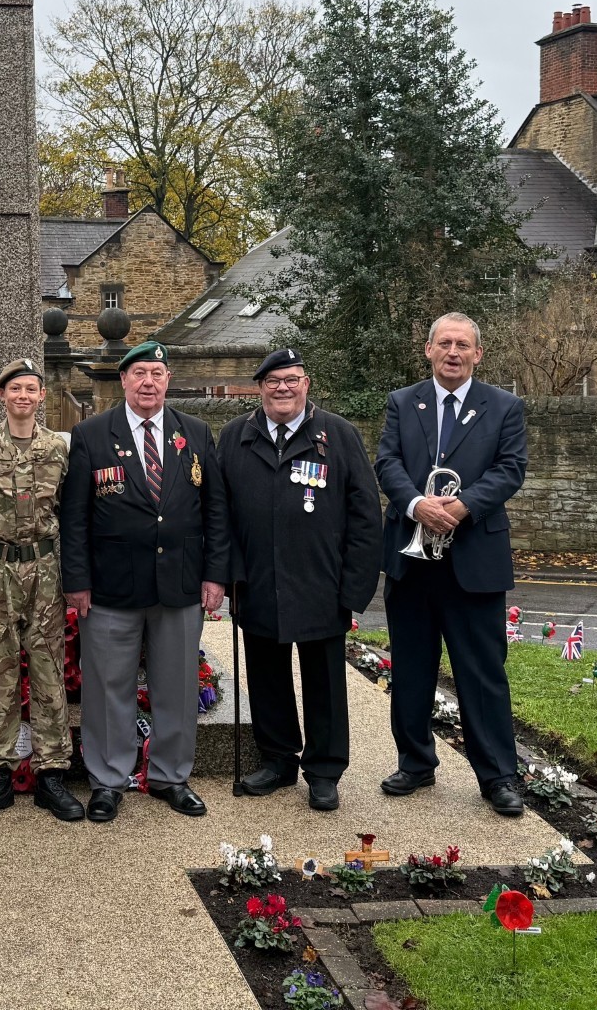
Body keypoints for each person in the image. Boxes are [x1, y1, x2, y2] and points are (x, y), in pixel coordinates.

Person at [60, 341, 229, 822]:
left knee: (175, 685)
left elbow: (215, 509)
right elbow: (74, 517)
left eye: (157, 372)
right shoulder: (92, 434)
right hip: (111, 587)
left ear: (168, 379)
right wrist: (78, 579)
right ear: (124, 381)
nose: (148, 381)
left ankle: (171, 776)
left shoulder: (193, 432)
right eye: (139, 373)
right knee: (108, 686)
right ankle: (108, 780)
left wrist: (215, 574)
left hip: (179, 584)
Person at [374, 312, 528, 817]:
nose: (453, 352)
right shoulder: (403, 402)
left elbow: (510, 468)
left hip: (473, 559)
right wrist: (417, 504)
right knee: (413, 668)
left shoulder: (503, 406)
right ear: (428, 350)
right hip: (412, 561)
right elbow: (387, 462)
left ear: (478, 354)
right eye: (445, 343)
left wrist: (462, 507)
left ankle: (497, 776)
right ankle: (415, 763)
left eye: (463, 345)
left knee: (482, 673)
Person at [217, 348, 381, 811]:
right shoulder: (236, 437)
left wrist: (354, 589)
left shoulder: (339, 435)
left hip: (320, 585)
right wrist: (229, 575)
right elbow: (219, 512)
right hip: (258, 581)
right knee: (266, 677)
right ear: (260, 388)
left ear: (306, 384)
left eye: (292, 379)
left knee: (324, 682)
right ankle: (278, 760)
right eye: (273, 381)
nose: (283, 388)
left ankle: (325, 770)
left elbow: (366, 518)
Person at [0, 358, 84, 823]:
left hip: (47, 567)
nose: (23, 396)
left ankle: (52, 771)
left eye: (31, 389)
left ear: (41, 396)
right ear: (1, 395)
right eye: (15, 388)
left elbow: (71, 512)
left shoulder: (59, 448)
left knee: (50, 666)